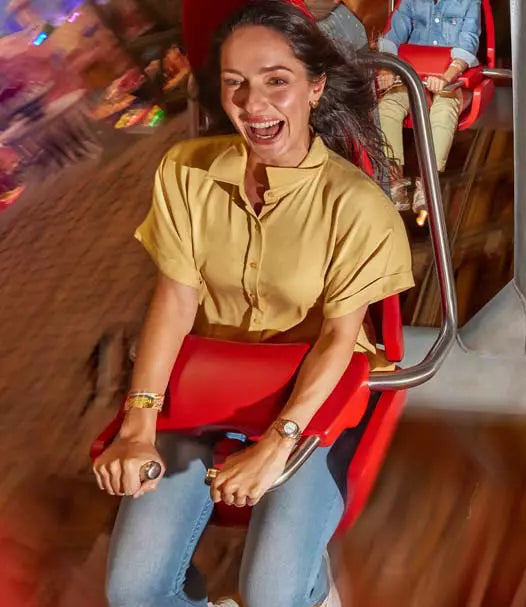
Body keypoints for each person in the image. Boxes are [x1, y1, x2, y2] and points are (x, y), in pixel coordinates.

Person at [92, 2, 414, 606]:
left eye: (276, 81)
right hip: (209, 386)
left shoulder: (355, 205)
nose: (253, 105)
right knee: (133, 594)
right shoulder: (186, 174)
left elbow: (337, 338)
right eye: (235, 83)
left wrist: (277, 445)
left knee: (271, 594)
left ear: (315, 87)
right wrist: (138, 422)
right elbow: (175, 300)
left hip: (309, 396)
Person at [375, 0, 481, 212]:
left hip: (448, 76)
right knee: (388, 107)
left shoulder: (469, 3)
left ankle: (428, 183)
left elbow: (468, 42)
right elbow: (393, 36)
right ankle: (394, 180)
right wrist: (387, 68)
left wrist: (447, 77)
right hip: (414, 76)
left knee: (443, 111)